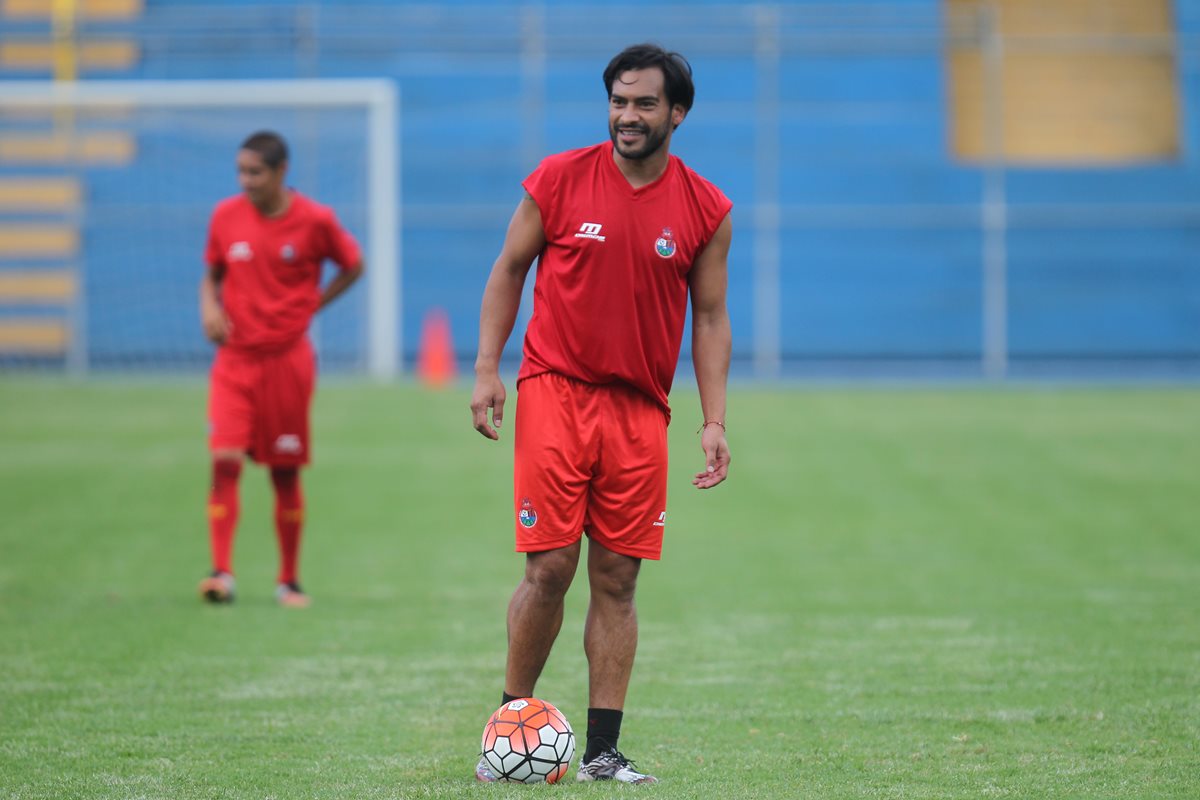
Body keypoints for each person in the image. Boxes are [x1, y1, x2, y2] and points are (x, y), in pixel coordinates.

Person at [469, 43, 732, 784]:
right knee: (550, 566)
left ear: (677, 113)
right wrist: (489, 369)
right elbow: (508, 270)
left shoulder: (706, 208)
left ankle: (602, 752)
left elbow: (710, 318)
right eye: (619, 101)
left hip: (641, 410)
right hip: (556, 389)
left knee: (617, 579)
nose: (627, 115)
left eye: (645, 103)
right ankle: (508, 730)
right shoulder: (557, 179)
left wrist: (713, 420)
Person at [197, 130, 363, 608]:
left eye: (255, 172)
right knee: (223, 460)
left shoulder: (315, 220)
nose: (245, 181)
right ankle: (220, 572)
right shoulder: (225, 217)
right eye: (241, 171)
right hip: (234, 360)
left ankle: (288, 580)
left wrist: (314, 303)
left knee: (284, 472)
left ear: (281, 172)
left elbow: (353, 265)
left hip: (288, 361)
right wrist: (209, 307)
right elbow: (211, 274)